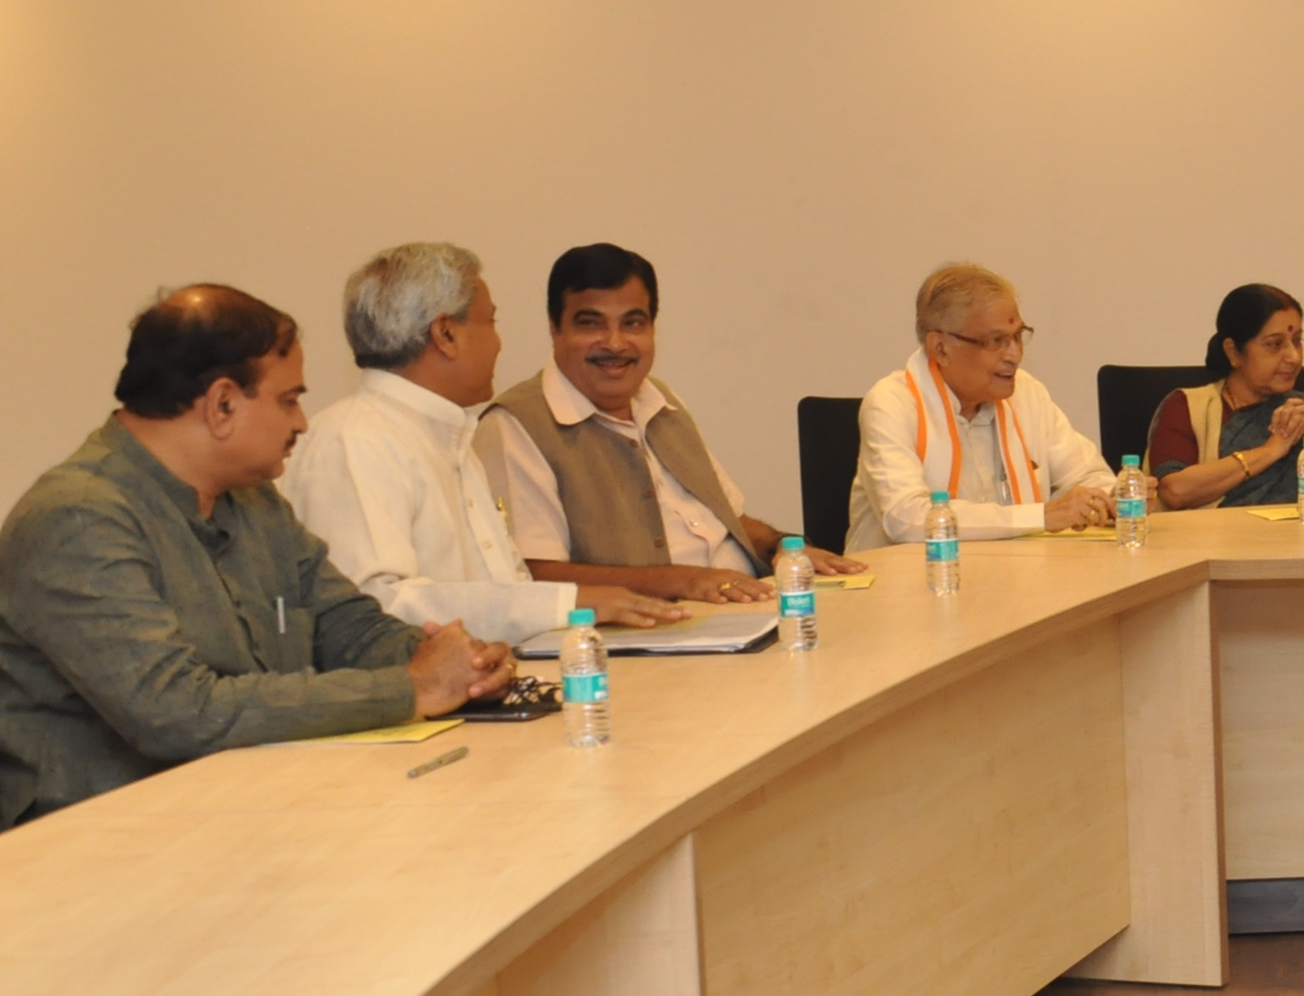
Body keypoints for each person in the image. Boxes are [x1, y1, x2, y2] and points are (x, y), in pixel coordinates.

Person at [0, 286, 514, 829]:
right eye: (288, 400)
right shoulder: (78, 518)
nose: (302, 424)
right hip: (95, 847)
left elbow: (347, 627)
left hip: (246, 812)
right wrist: (413, 687)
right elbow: (176, 712)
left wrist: (463, 665)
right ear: (222, 404)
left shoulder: (253, 500)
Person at [288, 244, 680, 645]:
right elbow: (374, 608)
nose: (498, 344)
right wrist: (569, 603)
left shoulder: (447, 435)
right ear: (445, 334)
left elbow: (505, 584)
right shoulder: (356, 439)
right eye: (490, 322)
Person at [484, 243, 865, 602]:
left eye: (633, 323)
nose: (615, 343)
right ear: (555, 328)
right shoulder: (516, 426)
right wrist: (685, 581)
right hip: (649, 641)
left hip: (749, 607)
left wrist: (784, 547)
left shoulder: (660, 400)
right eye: (591, 324)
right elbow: (534, 577)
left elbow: (727, 521)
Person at [849, 264, 1117, 550]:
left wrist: (1119, 496)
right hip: (908, 585)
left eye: (1017, 336)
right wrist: (1041, 516)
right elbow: (906, 519)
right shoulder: (891, 403)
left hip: (1012, 577)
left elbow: (1089, 476)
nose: (1014, 355)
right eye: (995, 341)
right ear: (940, 348)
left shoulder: (1027, 393)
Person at [1150, 285, 1304, 510]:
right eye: (1275, 344)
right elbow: (1174, 492)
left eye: (1297, 340)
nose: (1293, 357)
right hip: (1216, 543)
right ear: (1233, 352)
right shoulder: (1189, 407)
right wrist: (1270, 450)